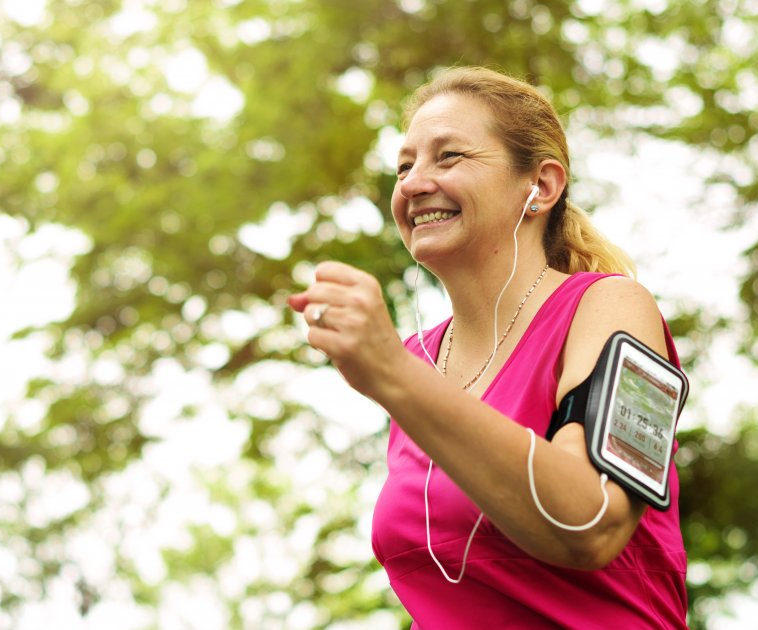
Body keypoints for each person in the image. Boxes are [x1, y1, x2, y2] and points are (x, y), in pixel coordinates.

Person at [288, 66, 688, 628]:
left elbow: (593, 523)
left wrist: (393, 376)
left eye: (448, 157)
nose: (412, 183)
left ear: (541, 187)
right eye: (405, 166)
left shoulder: (613, 307)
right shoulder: (417, 358)